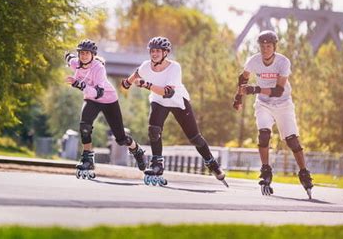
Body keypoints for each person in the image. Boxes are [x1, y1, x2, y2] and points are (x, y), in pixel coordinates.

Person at [121, 36, 228, 187]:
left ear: (166, 53)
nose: (154, 54)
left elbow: (167, 92)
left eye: (158, 51)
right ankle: (157, 163)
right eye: (152, 51)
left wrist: (145, 84)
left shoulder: (174, 67)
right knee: (153, 130)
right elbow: (138, 72)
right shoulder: (146, 65)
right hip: (158, 101)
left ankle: (211, 163)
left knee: (194, 138)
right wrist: (127, 82)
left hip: (177, 101)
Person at [232, 30, 314, 198]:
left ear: (274, 47)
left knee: (292, 140)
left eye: (268, 46)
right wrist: (238, 98)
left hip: (283, 103)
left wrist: (255, 89)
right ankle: (266, 169)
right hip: (263, 104)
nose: (265, 49)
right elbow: (243, 79)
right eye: (262, 46)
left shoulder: (283, 62)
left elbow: (277, 91)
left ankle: (304, 172)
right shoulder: (253, 61)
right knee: (263, 134)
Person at [65, 39, 146, 179]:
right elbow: (68, 57)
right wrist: (65, 54)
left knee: (120, 139)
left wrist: (79, 84)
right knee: (85, 126)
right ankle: (87, 159)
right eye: (81, 53)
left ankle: (137, 150)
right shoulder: (75, 63)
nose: (83, 56)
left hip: (108, 100)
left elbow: (98, 93)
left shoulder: (99, 68)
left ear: (93, 55)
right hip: (91, 101)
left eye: (87, 53)